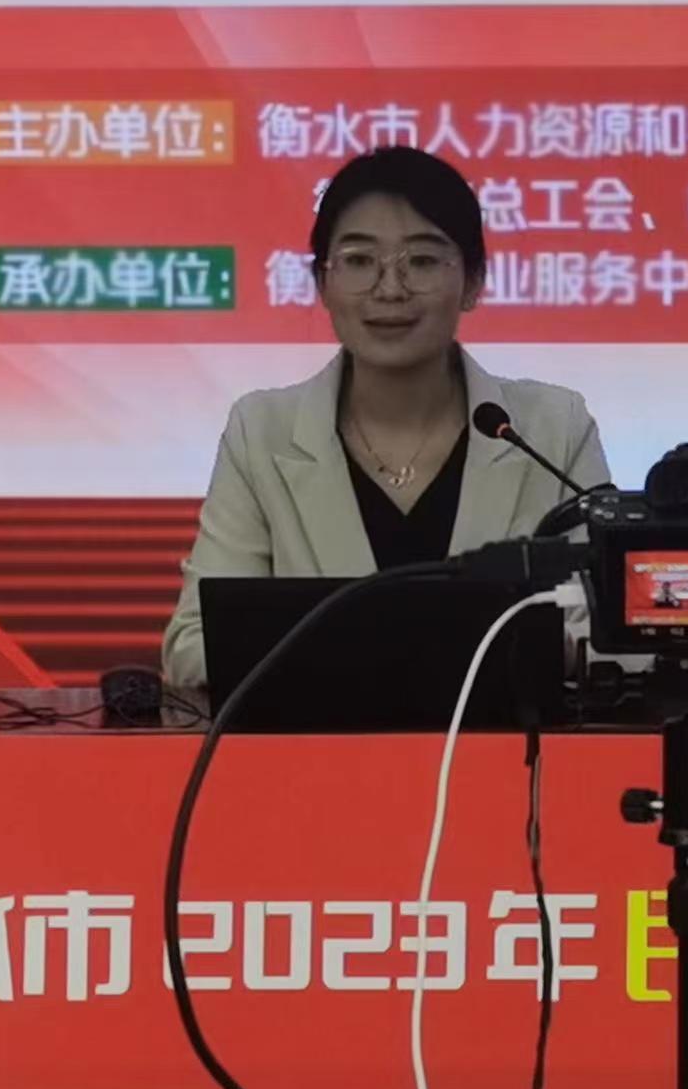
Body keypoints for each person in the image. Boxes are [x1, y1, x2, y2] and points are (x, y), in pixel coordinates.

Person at [160, 146, 612, 694]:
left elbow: (614, 631)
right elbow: (194, 646)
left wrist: (366, 650)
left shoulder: (553, 429)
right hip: (320, 749)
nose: (390, 289)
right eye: (358, 260)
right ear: (322, 283)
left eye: (422, 261)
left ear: (473, 282)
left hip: (504, 747)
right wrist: (434, 649)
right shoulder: (261, 432)